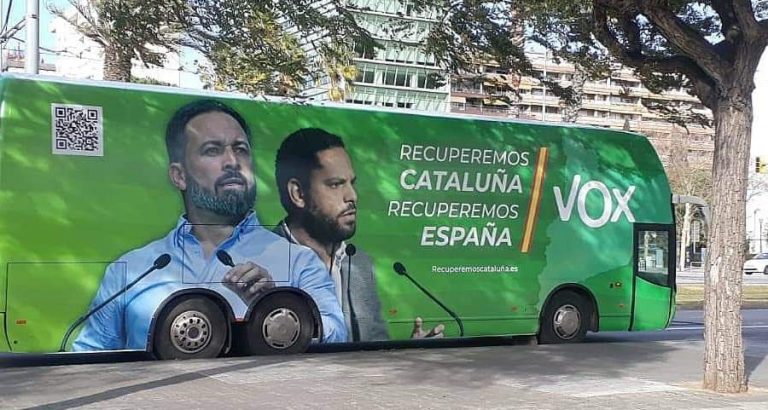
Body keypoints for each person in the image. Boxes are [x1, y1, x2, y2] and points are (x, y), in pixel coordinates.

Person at [72, 101, 346, 352]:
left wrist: (278, 305)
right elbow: (89, 358)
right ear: (179, 176)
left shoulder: (298, 262)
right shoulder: (132, 270)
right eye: (212, 150)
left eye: (240, 149)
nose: (232, 162)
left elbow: (337, 337)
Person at [273, 128, 443, 341]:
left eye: (351, 183)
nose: (352, 196)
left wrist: (411, 347)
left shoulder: (358, 262)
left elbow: (373, 343)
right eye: (335, 184)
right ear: (298, 194)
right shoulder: (265, 260)